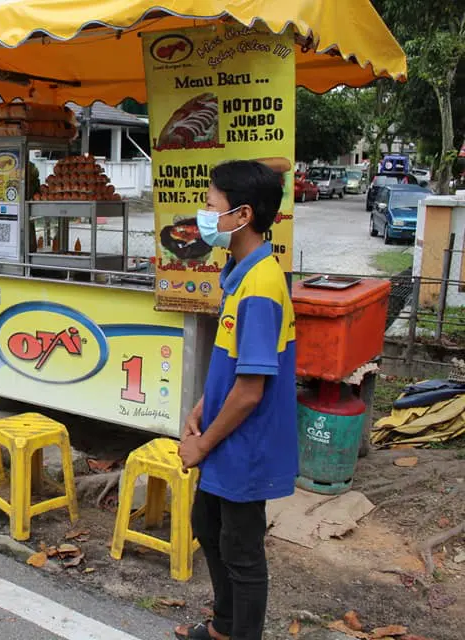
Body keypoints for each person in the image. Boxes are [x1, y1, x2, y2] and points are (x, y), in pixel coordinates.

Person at [175, 160, 297, 640]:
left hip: (247, 445)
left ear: (242, 215)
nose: (205, 215)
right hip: (225, 433)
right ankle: (224, 627)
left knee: (243, 552)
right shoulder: (240, 274)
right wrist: (204, 403)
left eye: (211, 206)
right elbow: (236, 362)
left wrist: (202, 446)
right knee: (206, 522)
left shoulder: (262, 286)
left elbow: (251, 391)